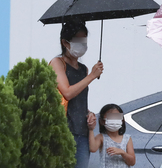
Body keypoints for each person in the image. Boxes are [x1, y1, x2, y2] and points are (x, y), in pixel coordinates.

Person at [49, 20, 104, 168]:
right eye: (78, 40)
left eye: (84, 40)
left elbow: (78, 99)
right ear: (65, 43)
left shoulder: (83, 69)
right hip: (64, 132)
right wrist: (92, 76)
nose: (82, 44)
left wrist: (89, 113)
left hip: (82, 133)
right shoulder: (58, 63)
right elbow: (67, 93)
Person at [88, 104, 136, 168]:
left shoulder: (127, 138)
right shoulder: (101, 137)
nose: (114, 121)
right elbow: (92, 148)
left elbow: (132, 162)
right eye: (110, 117)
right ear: (102, 121)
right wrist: (91, 130)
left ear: (122, 120)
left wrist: (122, 153)